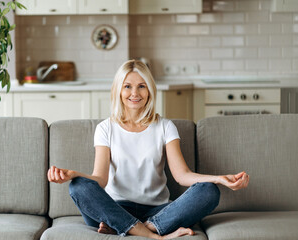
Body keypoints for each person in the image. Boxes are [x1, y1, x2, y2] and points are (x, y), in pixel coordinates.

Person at [47, 59, 249, 240]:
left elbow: (182, 175)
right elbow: (100, 179)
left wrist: (219, 179)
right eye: (127, 86)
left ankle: (136, 228)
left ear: (150, 90)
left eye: (141, 86)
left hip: (159, 211)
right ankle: (154, 235)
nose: (135, 93)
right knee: (78, 186)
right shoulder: (105, 128)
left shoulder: (165, 126)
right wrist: (73, 174)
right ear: (118, 90)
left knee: (209, 191)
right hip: (114, 208)